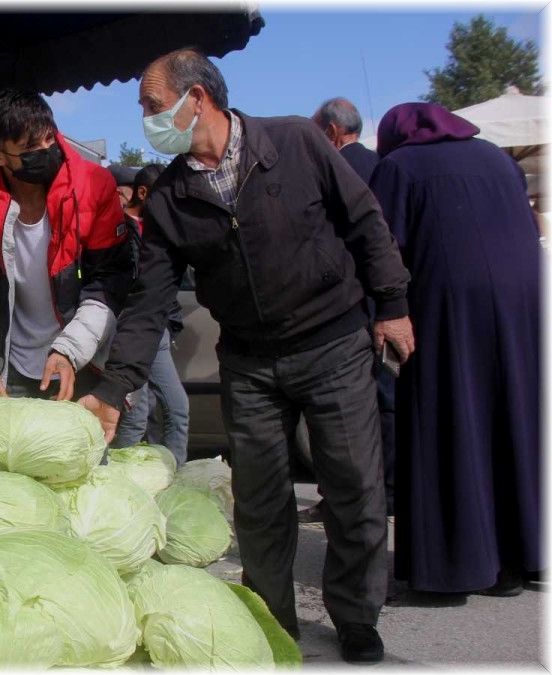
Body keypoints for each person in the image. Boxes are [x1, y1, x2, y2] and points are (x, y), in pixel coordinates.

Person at [77, 48, 414, 664]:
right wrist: (116, 384)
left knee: (355, 490)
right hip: (250, 362)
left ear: (197, 98)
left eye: (153, 106)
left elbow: (365, 220)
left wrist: (392, 302)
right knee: (259, 504)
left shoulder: (295, 141)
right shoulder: (170, 195)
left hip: (333, 343)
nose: (147, 120)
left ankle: (356, 616)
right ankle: (272, 619)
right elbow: (149, 300)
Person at [369, 102, 542, 597]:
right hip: (524, 304)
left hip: (449, 308)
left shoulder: (400, 167)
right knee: (519, 420)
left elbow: (381, 246)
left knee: (452, 420)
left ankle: (462, 564)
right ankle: (528, 554)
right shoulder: (498, 159)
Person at [0, 88, 131, 403]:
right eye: (30, 146)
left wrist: (69, 351)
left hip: (82, 359)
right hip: (11, 365)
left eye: (49, 138)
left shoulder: (93, 185)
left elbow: (108, 281)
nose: (46, 150)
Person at [306, 96, 397, 523]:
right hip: (385, 301)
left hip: (347, 308)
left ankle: (346, 498)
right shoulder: (382, 165)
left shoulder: (332, 168)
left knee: (348, 410)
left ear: (330, 132)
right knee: (383, 401)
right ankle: (386, 491)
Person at [108, 164, 190, 465]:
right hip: (132, 331)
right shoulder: (118, 230)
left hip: (159, 329)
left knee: (175, 407)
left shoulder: (163, 228)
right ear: (143, 193)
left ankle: (175, 474)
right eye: (164, 196)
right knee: (137, 416)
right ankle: (116, 476)